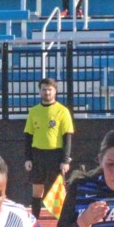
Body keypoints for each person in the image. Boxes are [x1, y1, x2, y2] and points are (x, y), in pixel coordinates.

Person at [24, 78, 74, 219]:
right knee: (37, 189)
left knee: (58, 191)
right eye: (44, 89)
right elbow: (28, 136)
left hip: (56, 155)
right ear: (40, 91)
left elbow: (67, 137)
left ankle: (62, 220)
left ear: (55, 91)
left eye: (50, 89)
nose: (47, 92)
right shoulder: (34, 111)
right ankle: (34, 221)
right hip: (38, 155)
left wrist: (65, 160)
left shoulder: (62, 111)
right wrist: (28, 158)